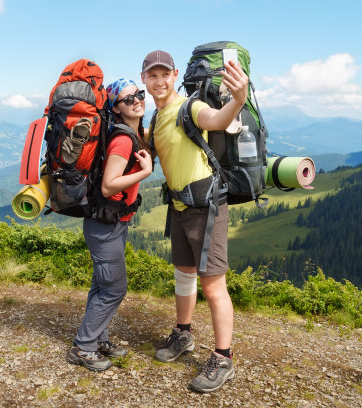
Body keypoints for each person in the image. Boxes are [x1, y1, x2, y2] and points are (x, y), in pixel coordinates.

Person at [140, 50, 249, 393]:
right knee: (183, 274)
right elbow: (144, 145)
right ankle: (183, 334)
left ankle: (223, 358)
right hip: (179, 207)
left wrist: (239, 99)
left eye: (163, 75)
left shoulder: (189, 108)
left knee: (213, 284)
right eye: (151, 76)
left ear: (174, 75)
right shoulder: (157, 118)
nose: (158, 81)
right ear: (144, 80)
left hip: (206, 206)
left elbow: (217, 120)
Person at [67, 79, 153, 371]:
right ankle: (83, 346)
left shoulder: (129, 133)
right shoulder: (123, 139)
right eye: (129, 99)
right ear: (116, 108)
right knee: (115, 287)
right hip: (104, 226)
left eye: (139, 95)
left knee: (101, 285)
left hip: (110, 222)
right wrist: (145, 172)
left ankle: (99, 339)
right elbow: (108, 186)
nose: (138, 100)